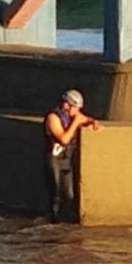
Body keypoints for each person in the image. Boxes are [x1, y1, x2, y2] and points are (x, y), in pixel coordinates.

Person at [45, 89, 102, 223]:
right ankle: (53, 222)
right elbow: (64, 139)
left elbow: (85, 119)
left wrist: (92, 122)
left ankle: (65, 221)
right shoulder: (53, 118)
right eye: (75, 108)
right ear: (66, 105)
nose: (77, 112)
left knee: (69, 195)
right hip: (54, 160)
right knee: (57, 194)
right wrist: (76, 123)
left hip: (67, 160)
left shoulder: (73, 116)